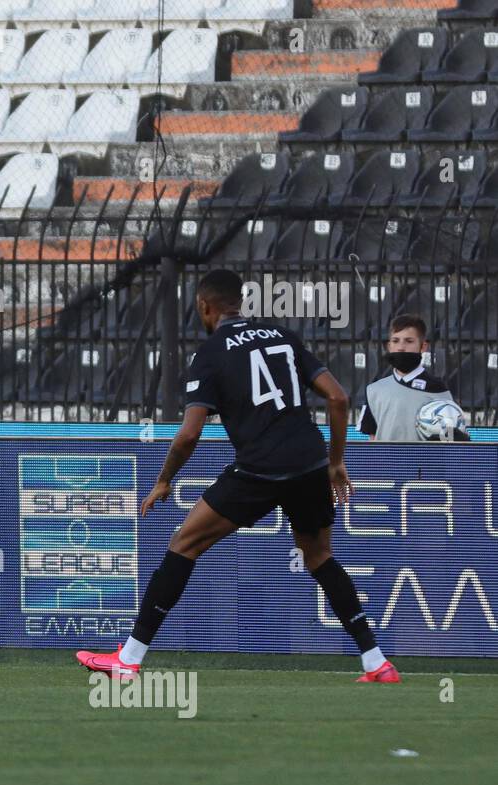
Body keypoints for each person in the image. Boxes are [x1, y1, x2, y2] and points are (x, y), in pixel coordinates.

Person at [77, 269, 400, 683]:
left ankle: (128, 659)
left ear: (204, 307)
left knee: (184, 543)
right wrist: (336, 462)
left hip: (259, 469)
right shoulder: (282, 335)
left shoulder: (209, 353)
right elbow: (338, 398)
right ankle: (376, 661)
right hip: (310, 462)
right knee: (319, 556)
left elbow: (190, 432)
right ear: (241, 302)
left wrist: (164, 479)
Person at [358, 314, 469, 441]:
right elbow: (372, 437)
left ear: (423, 347)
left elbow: (450, 435)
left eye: (409, 341)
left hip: (424, 460)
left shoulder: (438, 389)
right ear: (389, 346)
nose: (401, 347)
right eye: (395, 341)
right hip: (386, 460)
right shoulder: (374, 390)